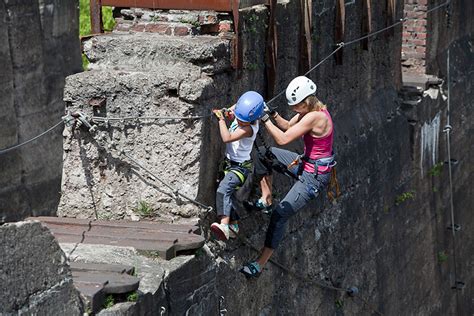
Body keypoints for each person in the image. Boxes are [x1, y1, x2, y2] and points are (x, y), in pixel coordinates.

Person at [240, 76, 336, 278]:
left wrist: (264, 120)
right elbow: (286, 126)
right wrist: (272, 114)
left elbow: (283, 138)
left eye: (295, 106)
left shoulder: (316, 117)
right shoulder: (307, 112)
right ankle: (266, 199)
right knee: (265, 155)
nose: (293, 109)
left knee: (280, 215)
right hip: (305, 163)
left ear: (306, 102)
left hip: (314, 177)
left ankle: (259, 264)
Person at [210, 91, 264, 241]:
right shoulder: (243, 115)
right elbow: (233, 111)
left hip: (240, 168)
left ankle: (224, 226)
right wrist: (228, 113)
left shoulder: (249, 129)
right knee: (229, 195)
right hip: (230, 164)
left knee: (223, 190)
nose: (239, 122)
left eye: (243, 121)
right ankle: (234, 225)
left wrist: (221, 120)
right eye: (238, 118)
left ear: (253, 119)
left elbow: (227, 138)